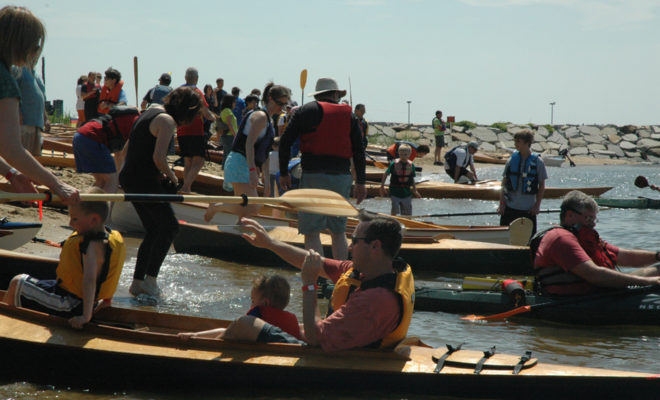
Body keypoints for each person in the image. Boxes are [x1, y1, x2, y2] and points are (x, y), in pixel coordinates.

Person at [227, 212, 414, 351]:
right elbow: (315, 263)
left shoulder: (376, 301)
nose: (349, 246)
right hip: (333, 341)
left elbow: (315, 337)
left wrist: (309, 284)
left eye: (355, 241)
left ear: (375, 246)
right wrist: (270, 243)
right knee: (257, 321)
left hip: (338, 360)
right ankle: (197, 336)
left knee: (246, 325)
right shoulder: (372, 271)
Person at [119, 86, 202, 297]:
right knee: (170, 228)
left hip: (131, 178)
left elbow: (125, 151)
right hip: (143, 181)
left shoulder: (150, 111)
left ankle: (137, 284)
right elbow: (159, 157)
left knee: (155, 230)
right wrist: (174, 179)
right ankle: (150, 281)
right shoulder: (167, 121)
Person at [3, 188, 126, 329]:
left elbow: (90, 280)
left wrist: (86, 317)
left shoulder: (92, 246)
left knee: (17, 282)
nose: (70, 224)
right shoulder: (109, 237)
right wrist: (107, 300)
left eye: (74, 219)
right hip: (85, 301)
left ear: (93, 219)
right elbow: (109, 272)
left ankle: (5, 327)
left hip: (70, 305)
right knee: (35, 282)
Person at [279, 77, 367, 261]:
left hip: (313, 176)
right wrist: (360, 183)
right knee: (338, 231)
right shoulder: (349, 116)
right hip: (342, 177)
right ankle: (341, 277)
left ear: (318, 95)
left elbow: (285, 142)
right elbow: (359, 151)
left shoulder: (304, 111)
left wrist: (284, 173)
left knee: (311, 231)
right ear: (336, 94)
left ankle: (317, 276)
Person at [0, 5, 79, 204]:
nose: (36, 49)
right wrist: (57, 184)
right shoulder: (4, 79)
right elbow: (11, 149)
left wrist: (12, 174)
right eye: (35, 43)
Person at [533, 190, 660, 296]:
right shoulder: (560, 238)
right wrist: (647, 281)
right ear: (570, 215)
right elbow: (594, 275)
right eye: (588, 218)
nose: (592, 223)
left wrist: (657, 256)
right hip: (576, 300)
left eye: (594, 218)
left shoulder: (584, 237)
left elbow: (625, 257)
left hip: (600, 292)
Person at [205, 82, 290, 219]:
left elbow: (265, 153)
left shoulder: (269, 121)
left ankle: (239, 234)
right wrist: (252, 171)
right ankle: (217, 206)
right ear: (270, 99)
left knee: (247, 210)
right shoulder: (261, 117)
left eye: (285, 104)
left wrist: (267, 180)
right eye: (280, 103)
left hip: (245, 163)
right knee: (252, 207)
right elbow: (249, 144)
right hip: (240, 162)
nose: (282, 108)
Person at [178, 274, 303, 341]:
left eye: (253, 301)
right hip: (284, 352)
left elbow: (230, 331)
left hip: (256, 350)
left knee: (225, 330)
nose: (251, 305)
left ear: (266, 303)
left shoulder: (258, 314)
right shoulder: (292, 319)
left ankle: (195, 335)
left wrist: (196, 335)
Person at [72, 105, 140, 193]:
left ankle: (85, 205)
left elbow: (120, 153)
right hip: (93, 138)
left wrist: (119, 174)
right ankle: (106, 206)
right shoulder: (140, 123)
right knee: (112, 179)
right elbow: (127, 154)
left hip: (80, 135)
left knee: (101, 181)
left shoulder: (127, 119)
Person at [498, 129, 547, 235]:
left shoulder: (538, 162)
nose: (515, 144)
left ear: (527, 143)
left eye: (518, 142)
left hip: (528, 210)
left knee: (528, 241)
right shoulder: (511, 160)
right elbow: (503, 184)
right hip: (509, 208)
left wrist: (537, 206)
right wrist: (502, 203)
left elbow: (542, 185)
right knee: (505, 240)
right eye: (515, 141)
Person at [176, 67, 216, 194]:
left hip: (181, 130)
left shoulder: (179, 91)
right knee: (199, 161)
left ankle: (186, 188)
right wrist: (212, 118)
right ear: (196, 78)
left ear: (185, 77)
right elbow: (205, 111)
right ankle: (186, 187)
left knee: (188, 161)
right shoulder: (196, 92)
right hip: (194, 130)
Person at [16, 65, 49, 156]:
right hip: (24, 122)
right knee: (23, 155)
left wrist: (45, 118)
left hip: (37, 123)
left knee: (35, 155)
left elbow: (41, 99)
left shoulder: (37, 76)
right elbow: (14, 94)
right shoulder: (18, 71)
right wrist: (18, 113)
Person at [379, 144, 421, 216]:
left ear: (409, 155)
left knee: (407, 214)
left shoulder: (411, 165)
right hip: (394, 192)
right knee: (394, 211)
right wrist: (382, 187)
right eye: (401, 154)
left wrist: (415, 190)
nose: (403, 156)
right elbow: (385, 174)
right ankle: (393, 222)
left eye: (405, 154)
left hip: (406, 193)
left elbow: (412, 179)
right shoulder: (394, 164)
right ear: (398, 154)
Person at [216, 94, 237, 170]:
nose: (235, 103)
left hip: (225, 135)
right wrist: (235, 135)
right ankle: (227, 169)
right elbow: (230, 124)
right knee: (229, 154)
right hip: (229, 135)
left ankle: (224, 168)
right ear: (230, 102)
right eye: (234, 102)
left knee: (226, 153)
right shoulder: (228, 111)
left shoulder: (223, 111)